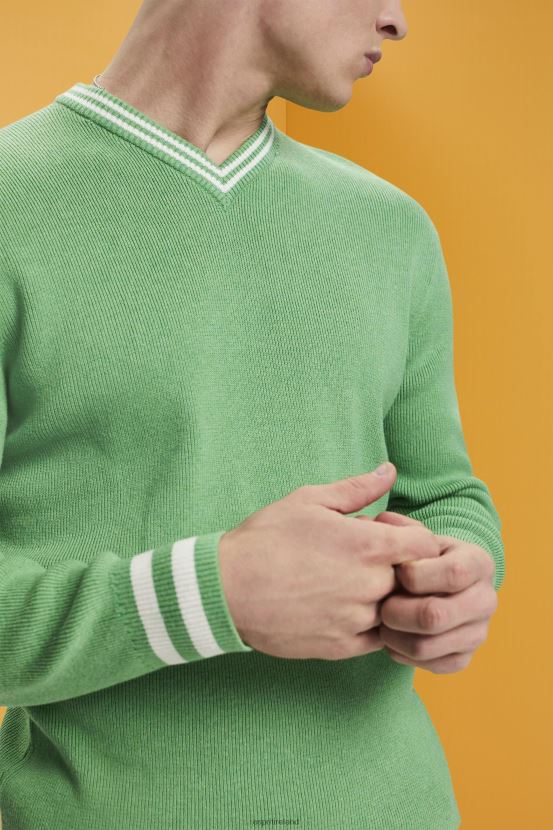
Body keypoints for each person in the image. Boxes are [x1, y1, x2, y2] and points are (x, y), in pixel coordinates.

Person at [0, 1, 504, 828]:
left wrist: (460, 576)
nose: (396, 19)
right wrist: (213, 595)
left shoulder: (391, 228)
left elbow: (445, 496)